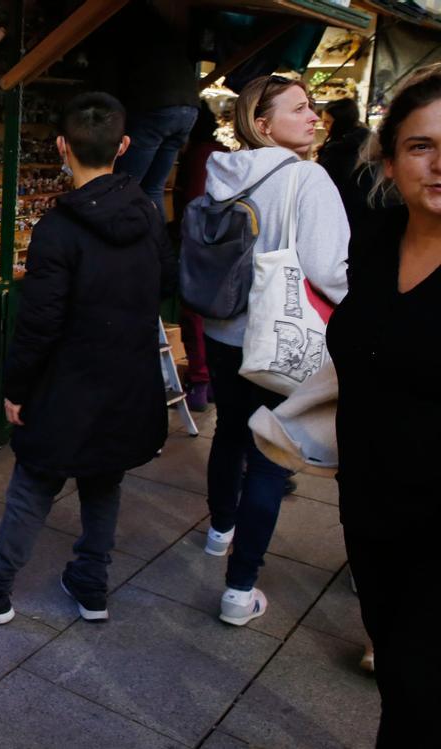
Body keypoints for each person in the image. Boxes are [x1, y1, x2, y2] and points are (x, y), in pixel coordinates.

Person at [0, 93, 175, 624]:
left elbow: (39, 322)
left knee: (33, 482)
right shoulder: (147, 211)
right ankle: (91, 582)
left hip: (70, 383)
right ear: (124, 146)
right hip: (127, 378)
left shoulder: (59, 227)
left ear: (61, 146)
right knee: (104, 479)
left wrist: (17, 388)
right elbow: (165, 282)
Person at [198, 75, 349, 626]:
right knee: (267, 458)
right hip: (278, 339)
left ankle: (219, 533)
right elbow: (332, 269)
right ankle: (240, 592)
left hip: (221, 330)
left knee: (229, 433)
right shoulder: (307, 178)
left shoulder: (222, 172)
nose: (314, 117)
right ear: (262, 124)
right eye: (301, 109)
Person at [326, 63, 441, 746]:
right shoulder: (372, 247)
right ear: (390, 160)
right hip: (370, 505)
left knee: (422, 692)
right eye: (422, 145)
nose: (438, 163)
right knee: (399, 673)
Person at [100, 0, 200, 221]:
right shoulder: (157, 19)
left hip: (155, 105)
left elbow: (108, 77)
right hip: (187, 106)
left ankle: (120, 249)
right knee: (153, 188)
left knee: (124, 187)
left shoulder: (111, 18)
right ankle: (155, 248)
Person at [173, 101, 230, 411]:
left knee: (193, 313)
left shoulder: (199, 156)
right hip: (223, 247)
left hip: (200, 246)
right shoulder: (221, 152)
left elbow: (195, 203)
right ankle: (209, 383)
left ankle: (200, 381)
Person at [316, 97, 369, 192]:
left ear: (341, 123)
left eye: (327, 122)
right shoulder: (367, 142)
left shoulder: (335, 151)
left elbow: (323, 185)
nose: (323, 126)